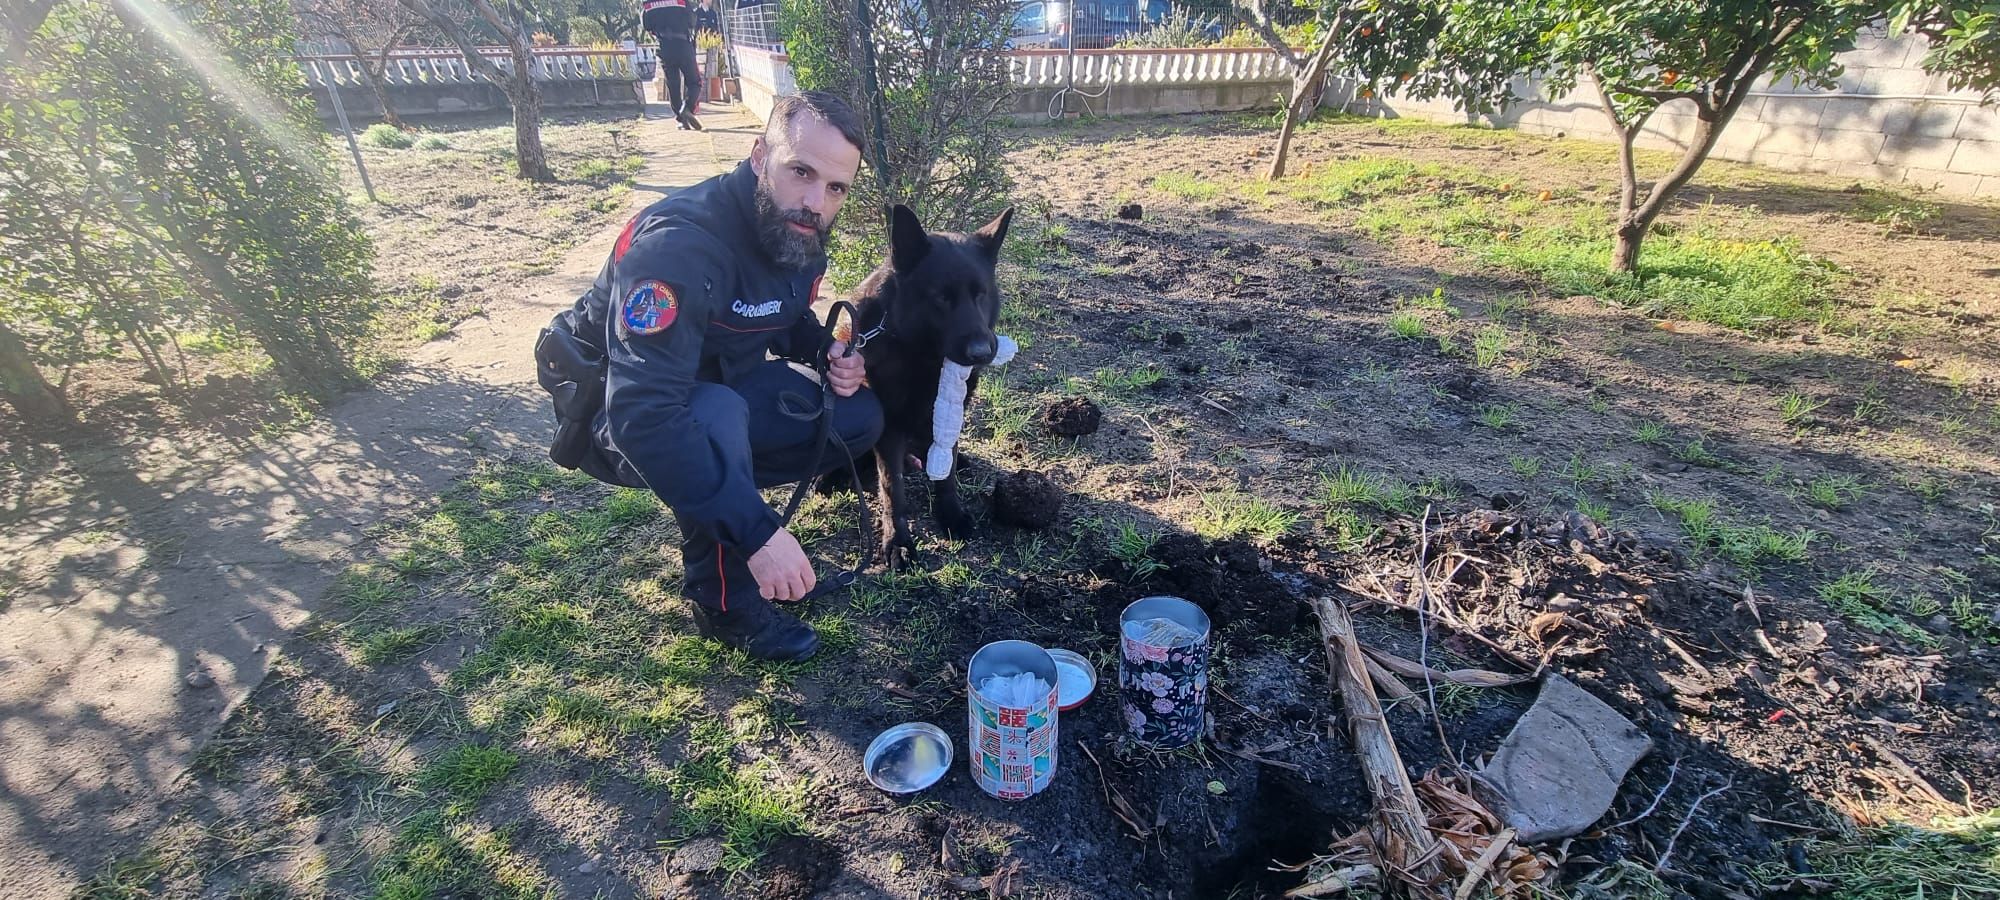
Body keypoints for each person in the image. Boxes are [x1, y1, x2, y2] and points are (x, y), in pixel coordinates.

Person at [535, 92, 880, 661]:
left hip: (721, 388)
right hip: (618, 411)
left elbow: (783, 312)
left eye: (836, 187)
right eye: (800, 171)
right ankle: (723, 602)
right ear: (757, 155)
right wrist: (757, 533)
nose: (815, 201)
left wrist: (826, 352)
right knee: (714, 421)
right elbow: (642, 415)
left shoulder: (799, 227)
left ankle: (720, 491)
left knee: (859, 416)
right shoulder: (678, 248)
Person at [641, 0, 704, 129]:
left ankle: (681, 119)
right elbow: (692, 21)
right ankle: (687, 108)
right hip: (682, 44)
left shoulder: (648, 3)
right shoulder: (680, 1)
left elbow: (646, 25)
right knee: (694, 82)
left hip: (664, 46)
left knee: (673, 85)